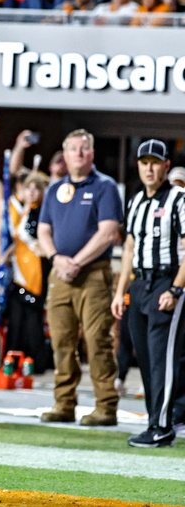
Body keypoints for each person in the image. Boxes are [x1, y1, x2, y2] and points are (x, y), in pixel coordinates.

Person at [38, 129, 122, 426]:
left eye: (84, 149)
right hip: (60, 275)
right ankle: (64, 404)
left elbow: (108, 231)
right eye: (73, 148)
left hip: (94, 275)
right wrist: (56, 258)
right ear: (66, 154)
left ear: (92, 154)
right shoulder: (54, 188)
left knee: (98, 340)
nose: (79, 153)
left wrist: (76, 261)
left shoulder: (105, 186)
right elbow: (43, 230)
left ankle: (106, 407)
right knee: (61, 341)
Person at [113, 139, 185, 447]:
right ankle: (153, 421)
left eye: (155, 162)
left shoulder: (179, 198)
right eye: (144, 163)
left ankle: (164, 425)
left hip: (166, 281)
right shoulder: (135, 201)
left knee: (162, 359)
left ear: (166, 165)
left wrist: (176, 288)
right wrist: (120, 291)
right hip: (139, 284)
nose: (149, 168)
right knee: (143, 356)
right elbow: (129, 247)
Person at [0, 169, 52, 372]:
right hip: (19, 266)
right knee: (16, 318)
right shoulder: (24, 211)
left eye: (36, 189)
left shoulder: (41, 213)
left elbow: (35, 238)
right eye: (28, 188)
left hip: (34, 267)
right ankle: (12, 359)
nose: (31, 192)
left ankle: (36, 361)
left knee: (32, 318)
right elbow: (16, 237)